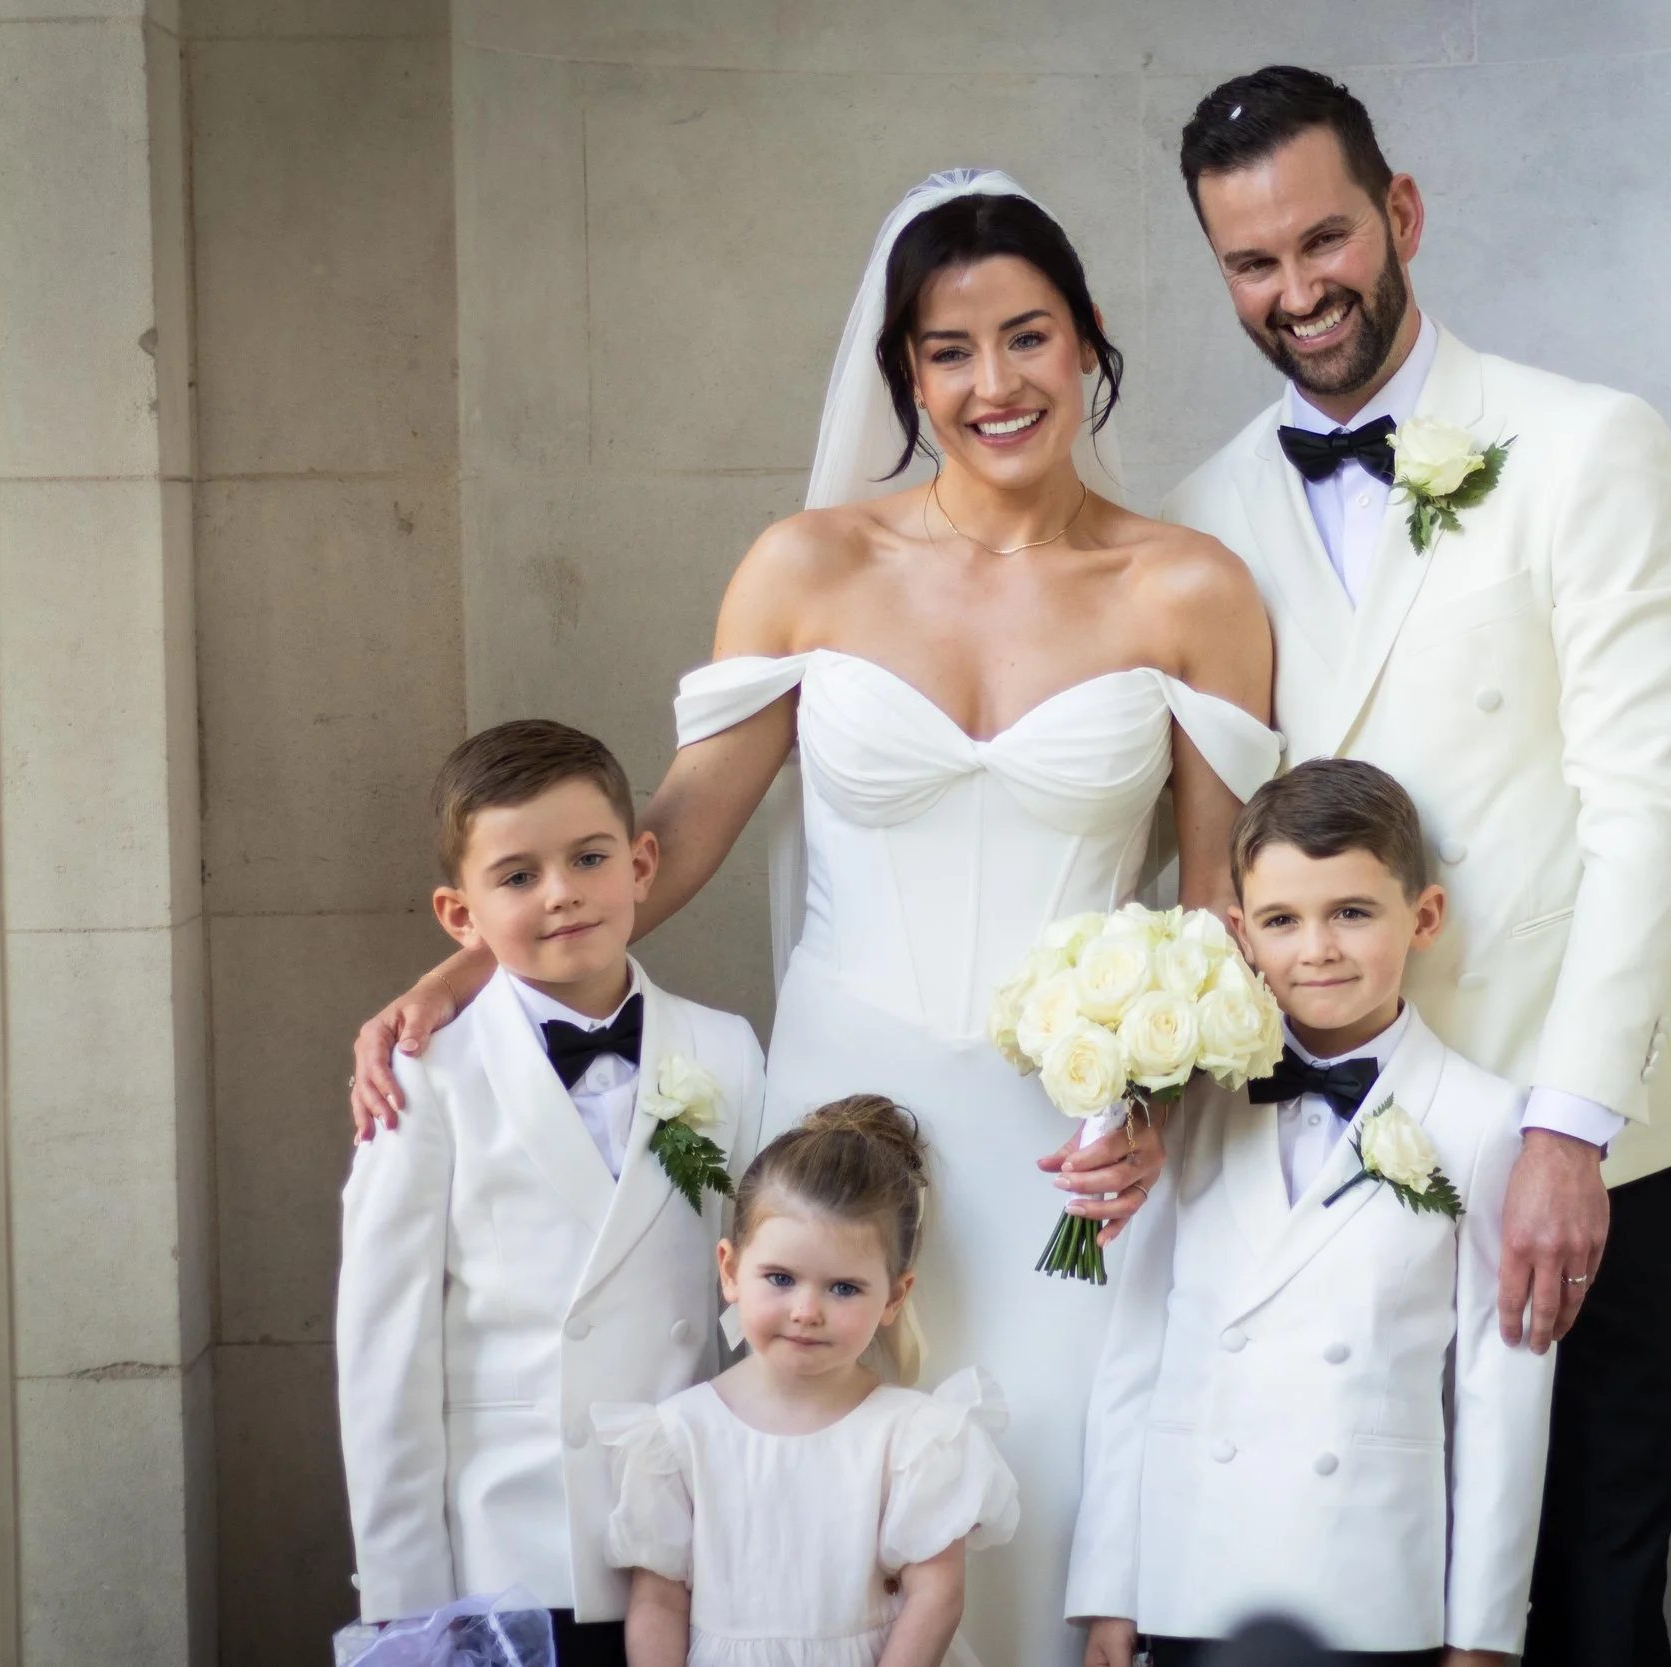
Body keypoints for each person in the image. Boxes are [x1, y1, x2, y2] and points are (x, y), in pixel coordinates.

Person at [347, 172, 1280, 1664]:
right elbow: (665, 838)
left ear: (1087, 336)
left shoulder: (1190, 588)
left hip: (1071, 1145)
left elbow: (1225, 908)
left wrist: (1168, 1106)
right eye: (948, 350)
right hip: (841, 1106)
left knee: (1047, 1501)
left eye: (1027, 336)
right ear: (903, 369)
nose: (993, 383)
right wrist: (461, 972)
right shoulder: (807, 567)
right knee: (818, 1518)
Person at [1166, 68, 1671, 1667]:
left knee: (1590, 1577)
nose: (1298, 290)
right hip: (1329, 1134)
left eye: (1325, 239)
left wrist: (1570, 1123)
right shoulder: (1201, 518)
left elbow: (1649, 808)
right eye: (1252, 262)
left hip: (1577, 1099)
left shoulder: (1586, 444)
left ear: (1402, 213)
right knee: (1369, 1579)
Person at [1067, 761, 1554, 1667]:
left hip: (1370, 1583)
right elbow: (1135, 1350)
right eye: (1283, 920)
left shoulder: (1484, 1118)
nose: (1318, 948)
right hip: (1194, 1568)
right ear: (1241, 931)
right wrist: (1109, 1592)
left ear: (1425, 917)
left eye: (1352, 912)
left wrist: (1483, 1637)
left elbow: (1499, 1398)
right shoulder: (1187, 1100)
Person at [336, 719, 767, 1667]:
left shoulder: (726, 1049)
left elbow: (755, 1294)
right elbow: (384, 1352)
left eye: (589, 858)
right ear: (460, 915)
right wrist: (405, 1601)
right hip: (511, 1554)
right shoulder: (426, 1078)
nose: (561, 891)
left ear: (642, 864)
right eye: (518, 875)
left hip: (691, 1542)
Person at [594, 1097, 1021, 1667]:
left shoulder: (917, 1439)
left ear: (894, 1297)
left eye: (843, 1288)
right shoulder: (677, 1436)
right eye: (780, 1278)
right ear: (730, 1271)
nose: (806, 1311)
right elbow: (658, 1601)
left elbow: (937, 1597)